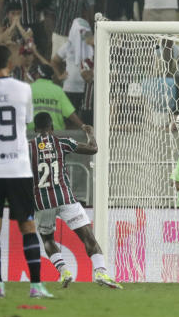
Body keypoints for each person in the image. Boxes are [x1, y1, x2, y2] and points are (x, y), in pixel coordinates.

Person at [0, 44, 51, 298]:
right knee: (27, 226)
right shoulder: (23, 89)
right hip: (17, 166)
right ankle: (35, 286)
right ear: (10, 64)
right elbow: (26, 121)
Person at [28, 112, 119, 289]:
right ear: (52, 127)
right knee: (88, 237)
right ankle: (101, 272)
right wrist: (90, 132)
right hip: (65, 197)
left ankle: (64, 271)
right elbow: (93, 149)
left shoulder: (28, 147)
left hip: (42, 201)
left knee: (47, 239)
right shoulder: (62, 142)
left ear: (35, 129)